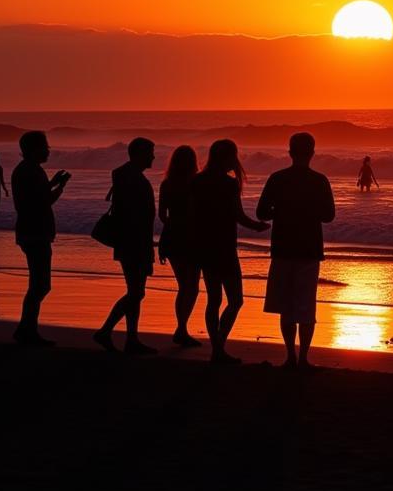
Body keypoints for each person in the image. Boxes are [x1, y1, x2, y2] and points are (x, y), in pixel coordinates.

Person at [256, 132, 335, 370]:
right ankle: (303, 358)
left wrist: (280, 212)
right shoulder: (319, 180)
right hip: (309, 248)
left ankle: (290, 355)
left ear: (290, 153)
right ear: (312, 153)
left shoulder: (277, 179)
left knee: (287, 304)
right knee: (306, 305)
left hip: (283, 247)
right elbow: (329, 216)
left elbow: (262, 212)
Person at [191, 139, 269, 364]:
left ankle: (217, 349)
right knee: (235, 300)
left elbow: (192, 215)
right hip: (224, 247)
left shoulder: (197, 181)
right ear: (226, 157)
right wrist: (257, 226)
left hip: (204, 246)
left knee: (213, 299)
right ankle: (218, 348)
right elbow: (238, 216)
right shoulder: (229, 184)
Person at [94, 137, 157, 355]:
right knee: (136, 292)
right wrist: (145, 244)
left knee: (135, 291)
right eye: (150, 153)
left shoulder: (124, 174)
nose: (153, 157)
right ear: (140, 154)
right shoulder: (132, 178)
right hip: (135, 242)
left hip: (130, 241)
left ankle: (131, 338)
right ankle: (106, 331)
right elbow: (135, 215)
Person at [11, 131, 70, 346]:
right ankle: (27, 330)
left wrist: (56, 184)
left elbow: (40, 197)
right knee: (40, 285)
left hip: (31, 231)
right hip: (35, 232)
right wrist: (58, 186)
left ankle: (26, 329)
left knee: (38, 284)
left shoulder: (27, 170)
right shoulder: (31, 171)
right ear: (34, 149)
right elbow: (42, 201)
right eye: (45, 146)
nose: (48, 150)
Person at [158, 144, 201, 347]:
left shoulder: (167, 184)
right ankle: (181, 329)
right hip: (191, 238)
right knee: (191, 286)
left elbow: (161, 215)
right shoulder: (196, 183)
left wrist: (172, 226)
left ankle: (181, 328)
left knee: (184, 286)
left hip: (172, 237)